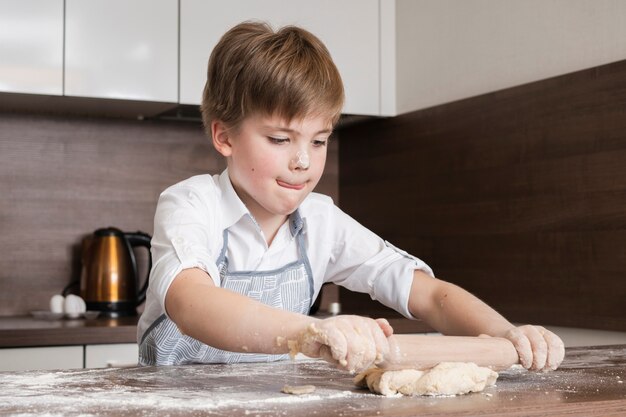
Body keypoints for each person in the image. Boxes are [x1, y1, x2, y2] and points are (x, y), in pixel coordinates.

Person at [137, 21, 564, 373]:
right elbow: (191, 302)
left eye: (319, 141)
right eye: (280, 139)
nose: (303, 161)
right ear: (224, 136)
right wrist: (310, 333)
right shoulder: (191, 205)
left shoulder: (320, 221)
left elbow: (429, 295)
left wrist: (508, 334)